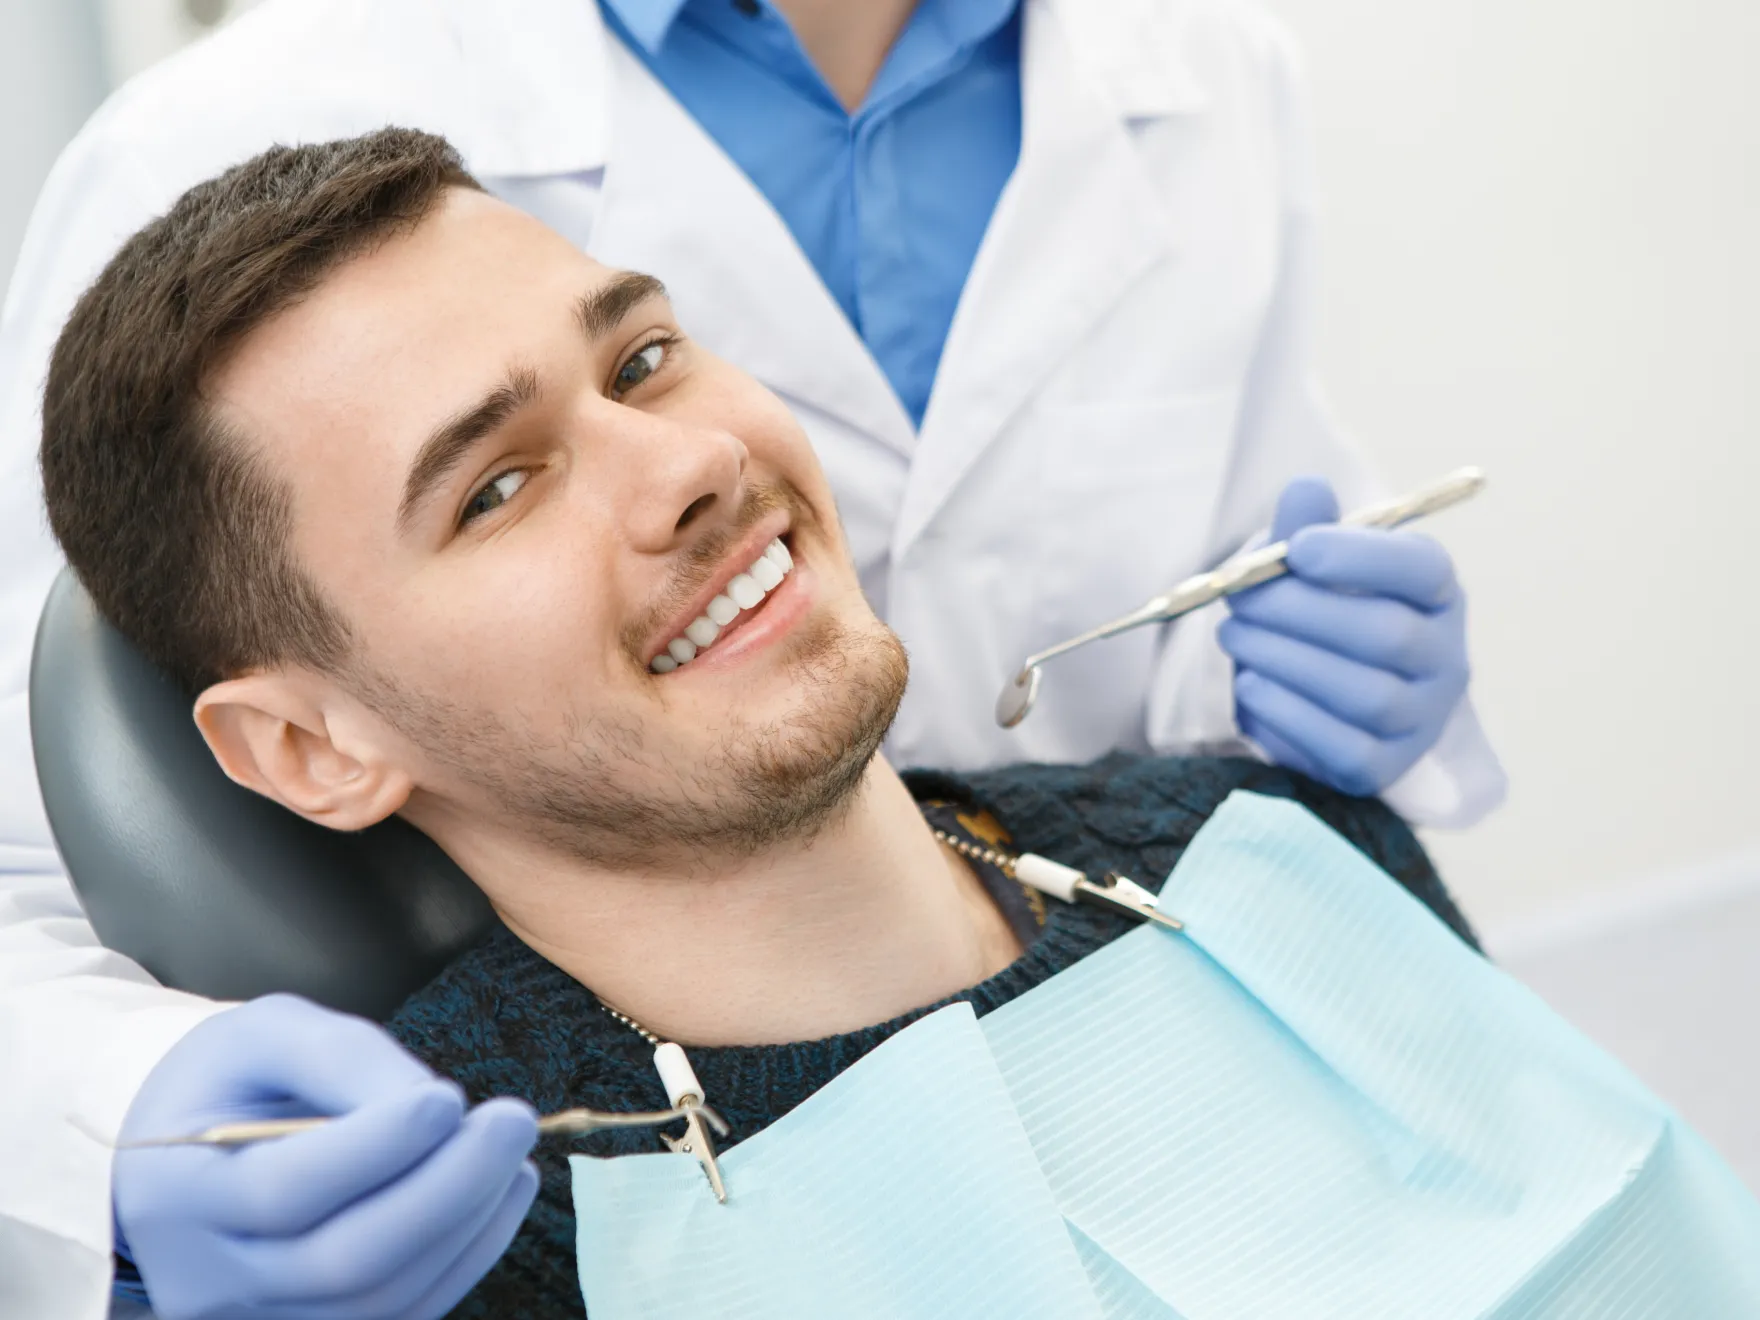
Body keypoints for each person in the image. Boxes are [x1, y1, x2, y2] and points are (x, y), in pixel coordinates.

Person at [0, 0, 1506, 1310]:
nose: (691, 469)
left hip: (1120, 989)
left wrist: (1321, 732)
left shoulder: (1204, 68)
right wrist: (122, 1133)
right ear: (310, 751)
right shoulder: (219, 131)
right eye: (496, 489)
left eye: (646, 362)